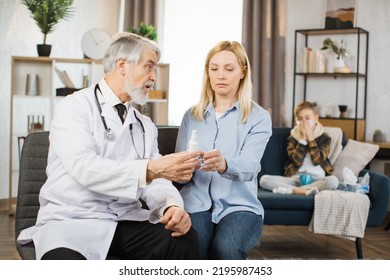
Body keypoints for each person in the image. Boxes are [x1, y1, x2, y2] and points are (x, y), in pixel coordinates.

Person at [16, 32, 201, 260]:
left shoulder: (144, 125)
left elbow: (156, 181)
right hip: (72, 222)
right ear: (123, 65)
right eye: (149, 67)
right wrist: (151, 169)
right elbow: (84, 168)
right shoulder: (74, 107)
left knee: (184, 239)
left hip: (122, 220)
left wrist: (170, 206)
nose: (154, 77)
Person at [175, 41, 272, 260]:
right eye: (214, 68)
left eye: (229, 69)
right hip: (195, 202)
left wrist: (224, 164)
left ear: (242, 72)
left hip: (240, 206)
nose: (221, 75)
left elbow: (250, 166)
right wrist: (181, 169)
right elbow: (179, 172)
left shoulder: (258, 117)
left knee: (226, 249)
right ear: (207, 72)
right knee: (195, 245)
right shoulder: (192, 115)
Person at [260, 101, 339, 196]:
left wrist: (311, 138)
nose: (304, 122)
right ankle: (302, 191)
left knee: (333, 181)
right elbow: (296, 161)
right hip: (296, 178)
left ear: (316, 118)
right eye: (300, 119)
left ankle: (294, 190)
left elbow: (317, 160)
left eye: (307, 118)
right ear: (296, 121)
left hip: (318, 179)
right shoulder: (292, 137)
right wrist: (303, 140)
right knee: (264, 180)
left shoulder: (325, 137)